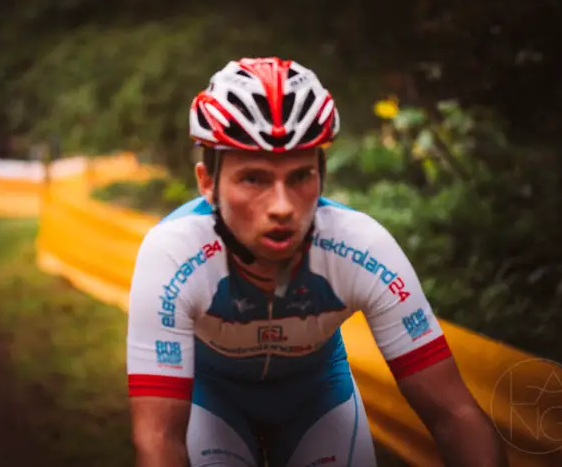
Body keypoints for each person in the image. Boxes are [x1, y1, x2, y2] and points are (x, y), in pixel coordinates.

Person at [126, 57, 507, 467]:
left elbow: (453, 414)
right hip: (212, 399)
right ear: (207, 183)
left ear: (322, 176)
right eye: (253, 178)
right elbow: (158, 438)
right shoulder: (172, 254)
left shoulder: (362, 248)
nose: (281, 207)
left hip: (317, 398)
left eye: (300, 177)